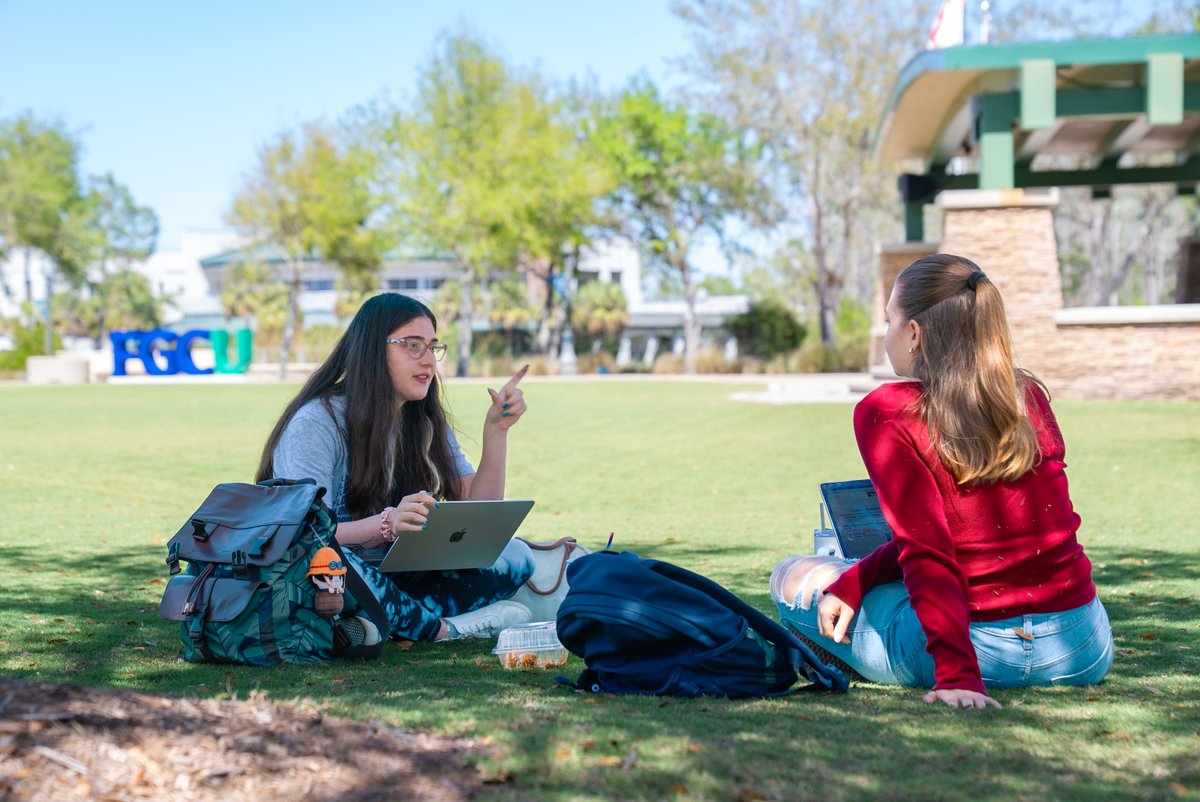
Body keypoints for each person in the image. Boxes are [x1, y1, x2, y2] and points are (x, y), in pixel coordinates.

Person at [770, 254, 1114, 710]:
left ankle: (854, 650)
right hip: (1082, 649)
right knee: (867, 581)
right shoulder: (1026, 396)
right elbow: (967, 537)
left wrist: (958, 676)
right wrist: (859, 579)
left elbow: (928, 550)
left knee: (788, 577)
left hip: (981, 653)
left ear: (914, 333)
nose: (887, 333)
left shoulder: (887, 412)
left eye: (889, 320)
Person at [256, 292, 536, 644]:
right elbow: (304, 537)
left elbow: (480, 512)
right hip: (326, 577)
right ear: (373, 350)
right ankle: (443, 629)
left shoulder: (424, 419)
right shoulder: (316, 423)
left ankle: (382, 621)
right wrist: (387, 524)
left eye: (432, 347)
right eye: (413, 346)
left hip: (392, 572)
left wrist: (496, 432)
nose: (429, 361)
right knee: (336, 562)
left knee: (517, 556)